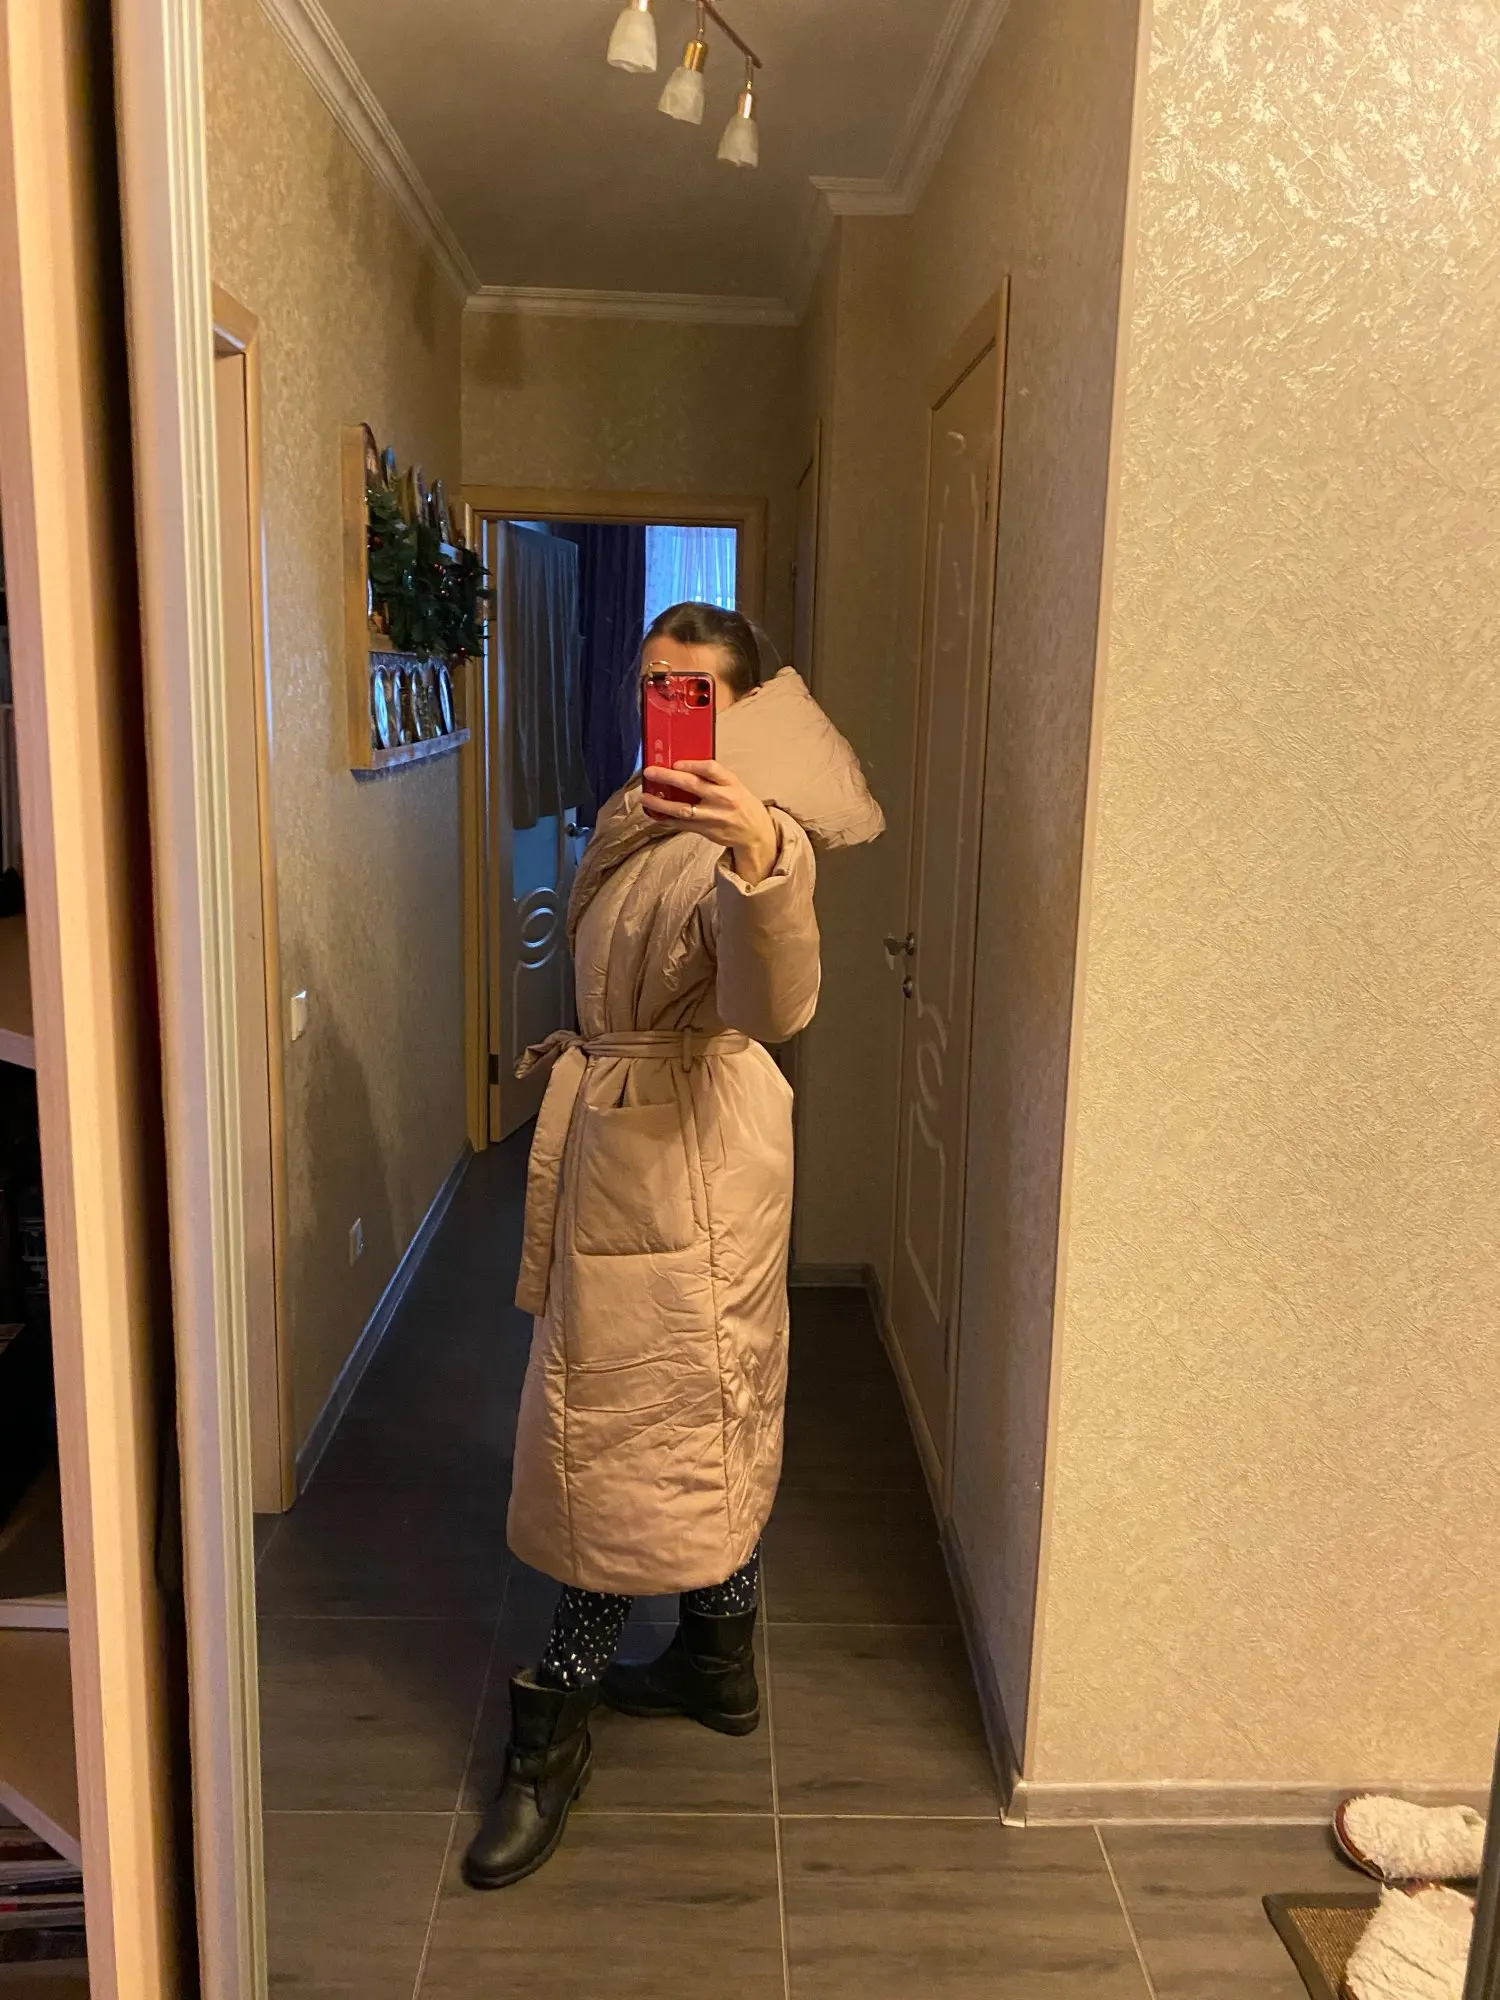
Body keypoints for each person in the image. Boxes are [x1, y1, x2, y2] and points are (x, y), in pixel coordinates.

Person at [463, 601, 884, 1890]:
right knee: (697, 1410)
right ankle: (718, 1659)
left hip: (683, 1158)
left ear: (741, 706)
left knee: (623, 1436)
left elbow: (773, 1000)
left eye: (697, 687)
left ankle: (552, 1730)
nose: (670, 703)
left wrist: (765, 862)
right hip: (649, 1148)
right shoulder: (639, 810)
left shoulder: (746, 837)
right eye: (655, 681)